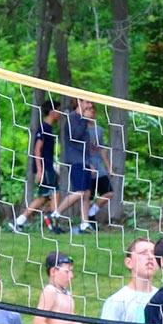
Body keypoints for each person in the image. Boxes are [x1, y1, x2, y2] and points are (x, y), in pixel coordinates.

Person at [15, 98, 62, 233]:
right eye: (59, 111)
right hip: (44, 167)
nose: (60, 114)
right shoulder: (44, 128)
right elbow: (37, 149)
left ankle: (19, 221)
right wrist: (40, 170)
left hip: (48, 166)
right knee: (55, 193)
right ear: (52, 112)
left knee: (45, 197)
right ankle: (53, 223)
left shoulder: (50, 128)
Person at [54, 97, 96, 234]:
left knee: (87, 193)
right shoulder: (73, 117)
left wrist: (90, 164)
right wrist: (85, 119)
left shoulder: (82, 119)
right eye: (87, 102)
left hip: (84, 161)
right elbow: (75, 135)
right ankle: (55, 214)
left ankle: (85, 224)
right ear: (79, 102)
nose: (90, 105)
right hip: (75, 161)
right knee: (80, 192)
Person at [84, 102, 115, 224]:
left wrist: (109, 168)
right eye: (89, 109)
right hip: (86, 168)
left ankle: (91, 213)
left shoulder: (99, 130)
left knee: (109, 192)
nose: (92, 112)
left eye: (93, 110)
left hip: (99, 168)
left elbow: (101, 149)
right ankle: (84, 222)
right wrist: (87, 164)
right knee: (86, 196)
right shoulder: (81, 130)